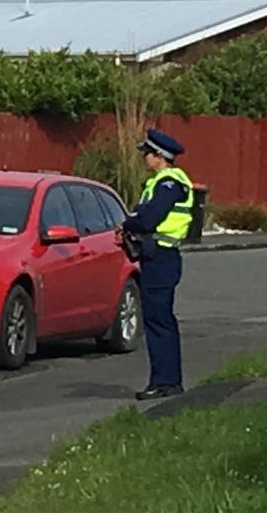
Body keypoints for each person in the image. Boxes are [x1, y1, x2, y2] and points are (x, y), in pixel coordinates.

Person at [119, 129, 194, 400]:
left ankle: (165, 381)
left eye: (147, 154)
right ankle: (165, 379)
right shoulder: (162, 182)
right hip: (158, 256)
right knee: (157, 320)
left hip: (161, 257)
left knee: (159, 322)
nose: (144, 159)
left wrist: (130, 222)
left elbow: (147, 218)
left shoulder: (168, 183)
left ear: (159, 156)